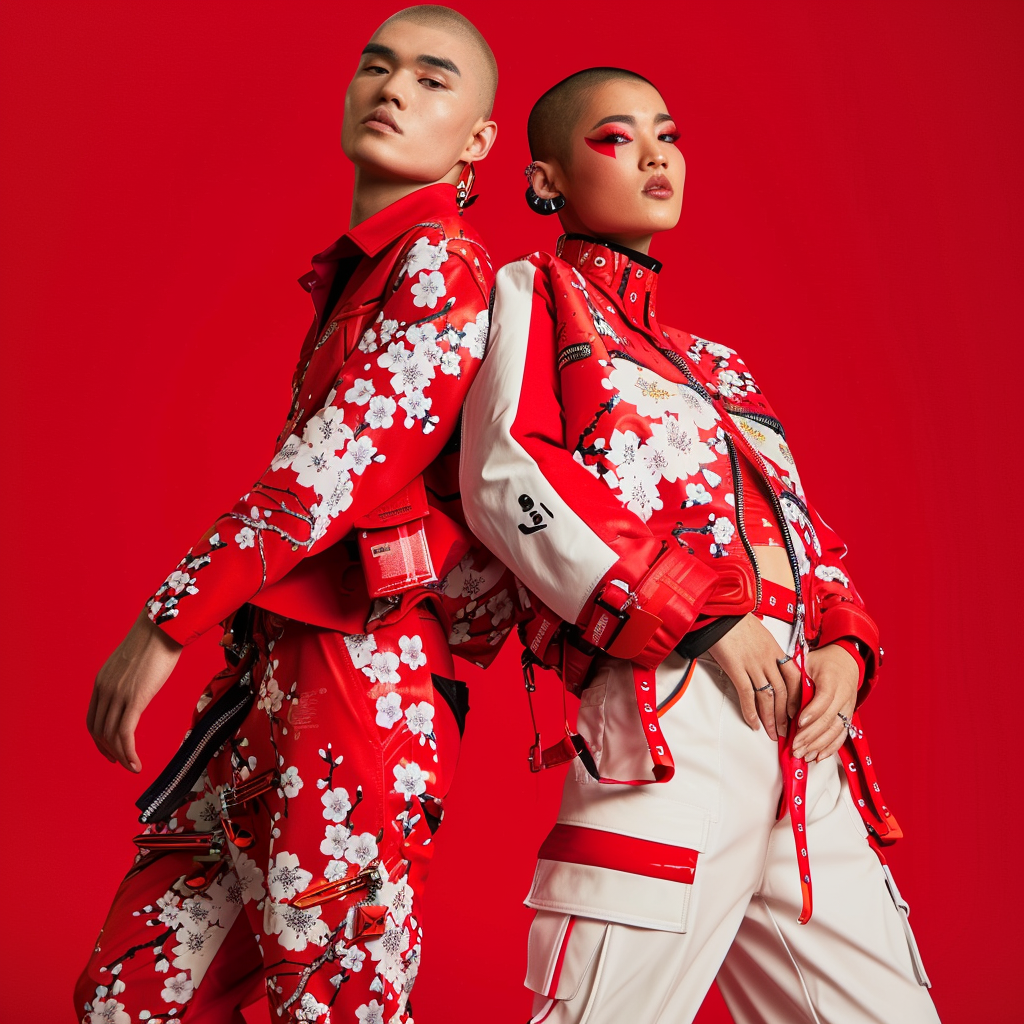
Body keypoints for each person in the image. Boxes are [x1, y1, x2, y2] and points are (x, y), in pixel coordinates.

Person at [460, 67, 940, 1024]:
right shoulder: (538, 293)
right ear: (545, 178)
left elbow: (801, 527)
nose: (655, 155)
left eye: (669, 135)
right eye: (616, 137)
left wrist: (845, 644)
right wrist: (704, 620)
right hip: (670, 715)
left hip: (804, 741)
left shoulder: (718, 364)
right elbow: (507, 473)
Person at [76, 8, 518, 1023]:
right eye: (377, 66)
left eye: (432, 78)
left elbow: (330, 473)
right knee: (129, 996)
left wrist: (165, 622)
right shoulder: (366, 270)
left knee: (335, 1001)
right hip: (267, 677)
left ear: (480, 140)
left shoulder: (443, 263)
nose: (394, 87)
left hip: (362, 680)